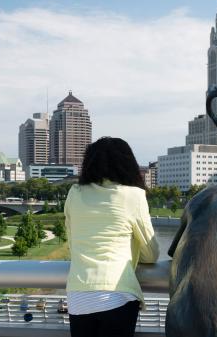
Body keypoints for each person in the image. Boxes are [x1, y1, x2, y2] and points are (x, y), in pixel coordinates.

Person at [64, 137, 160, 337]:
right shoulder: (133, 195)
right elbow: (151, 254)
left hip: (78, 295)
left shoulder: (74, 193)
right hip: (117, 294)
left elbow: (72, 244)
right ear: (128, 164)